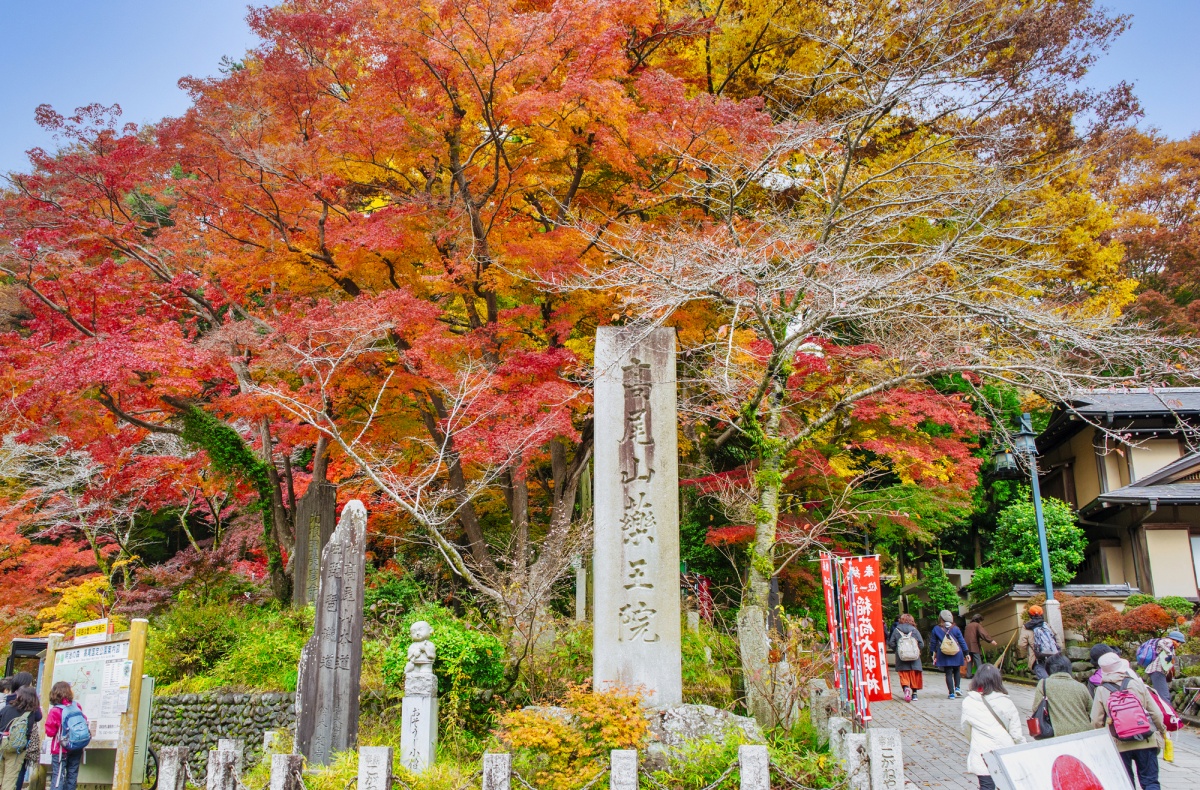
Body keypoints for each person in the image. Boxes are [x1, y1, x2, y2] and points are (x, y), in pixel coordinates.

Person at [1091, 652, 1166, 790]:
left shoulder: (1101, 690)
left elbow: (1096, 721)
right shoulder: (1137, 684)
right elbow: (1156, 713)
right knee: (1150, 782)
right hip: (1146, 740)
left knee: (1125, 783)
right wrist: (1162, 731)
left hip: (1119, 743)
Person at [961, 665, 1026, 790]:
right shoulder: (1007, 702)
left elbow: (966, 728)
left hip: (982, 752)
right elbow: (1016, 734)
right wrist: (1023, 749)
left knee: (986, 786)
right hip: (1004, 751)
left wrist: (973, 742)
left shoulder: (969, 702)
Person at [1032, 654, 1095, 737]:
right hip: (1084, 734)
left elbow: (1035, 708)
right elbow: (1092, 712)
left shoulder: (1044, 684)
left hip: (1059, 734)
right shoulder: (1081, 687)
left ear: (1048, 670)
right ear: (1069, 669)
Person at [45, 682, 86, 790]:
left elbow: (50, 732)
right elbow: (84, 720)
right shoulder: (77, 706)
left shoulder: (55, 710)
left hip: (60, 748)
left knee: (58, 776)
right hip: (77, 745)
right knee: (72, 775)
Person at [6, 674, 40, 790]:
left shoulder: (9, 699)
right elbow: (39, 716)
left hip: (6, 741)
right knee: (18, 770)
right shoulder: (31, 702)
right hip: (22, 742)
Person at [1016, 604, 1063, 680]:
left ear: (1030, 615)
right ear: (1041, 614)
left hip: (1037, 658)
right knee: (1055, 679)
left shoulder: (1026, 627)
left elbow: (1022, 645)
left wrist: (1026, 654)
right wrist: (1057, 649)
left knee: (1044, 682)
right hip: (1053, 657)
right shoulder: (1046, 625)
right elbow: (1057, 638)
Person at [931, 610, 969, 699]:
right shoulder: (956, 628)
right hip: (957, 652)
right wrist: (966, 653)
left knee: (948, 672)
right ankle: (958, 688)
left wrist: (932, 653)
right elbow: (962, 641)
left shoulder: (936, 629)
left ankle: (951, 693)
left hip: (944, 652)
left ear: (940, 618)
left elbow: (933, 642)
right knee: (956, 670)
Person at [888, 613, 924, 702]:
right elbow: (921, 644)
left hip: (902, 658)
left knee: (904, 675)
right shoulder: (914, 630)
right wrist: (917, 650)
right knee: (914, 675)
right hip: (914, 659)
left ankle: (906, 689)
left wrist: (898, 651)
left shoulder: (897, 630)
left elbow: (891, 643)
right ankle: (914, 694)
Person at [1145, 630, 1187, 703]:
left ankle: (1164, 712)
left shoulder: (1171, 647)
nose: (1180, 644)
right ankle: (1169, 713)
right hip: (1157, 671)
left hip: (1157, 671)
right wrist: (1169, 654)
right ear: (1176, 640)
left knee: (1161, 694)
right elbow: (1161, 642)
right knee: (1164, 695)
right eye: (1180, 642)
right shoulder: (1169, 641)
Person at [964, 614, 997, 678]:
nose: (981, 622)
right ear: (979, 620)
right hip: (974, 645)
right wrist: (991, 640)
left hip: (966, 645)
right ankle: (980, 675)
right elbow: (983, 633)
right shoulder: (977, 625)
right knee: (977, 660)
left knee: (969, 660)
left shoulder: (968, 626)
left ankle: (968, 674)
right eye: (981, 621)